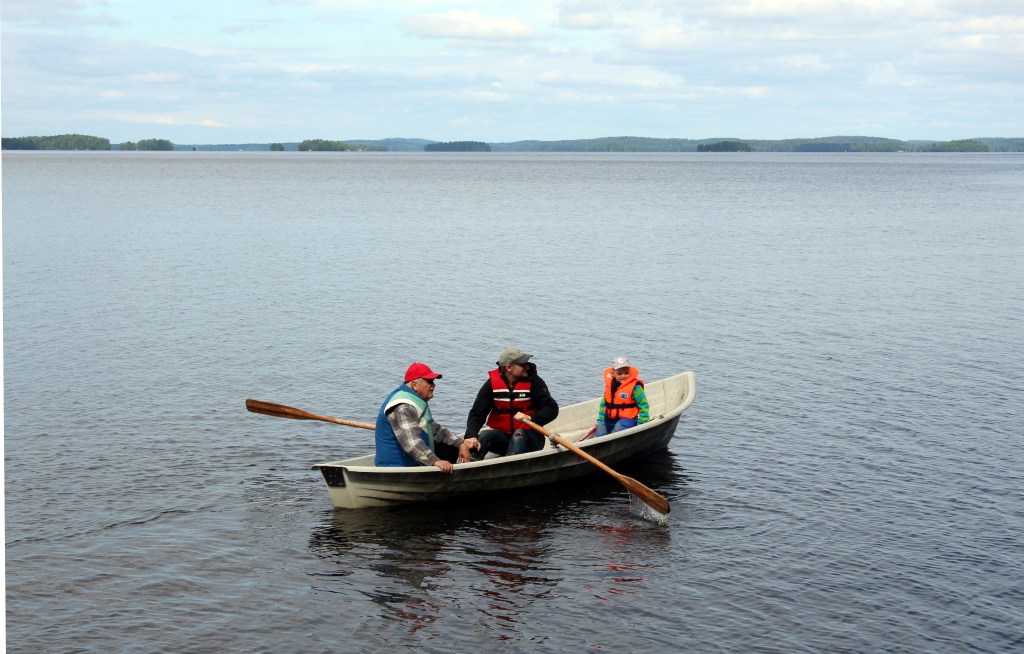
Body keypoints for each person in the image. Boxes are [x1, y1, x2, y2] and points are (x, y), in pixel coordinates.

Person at [374, 362, 480, 473]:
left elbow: (435, 430)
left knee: (455, 449)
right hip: (396, 467)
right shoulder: (403, 407)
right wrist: (434, 461)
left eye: (433, 381)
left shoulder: (414, 401)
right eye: (429, 382)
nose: (433, 385)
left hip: (411, 460)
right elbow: (412, 443)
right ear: (415, 385)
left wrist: (461, 444)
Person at [465, 347, 559, 457]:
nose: (527, 367)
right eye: (522, 364)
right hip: (504, 439)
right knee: (485, 436)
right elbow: (477, 414)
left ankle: (512, 468)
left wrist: (531, 418)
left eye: (526, 363)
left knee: (518, 435)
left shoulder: (535, 382)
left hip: (531, 440)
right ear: (509, 367)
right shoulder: (492, 384)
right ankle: (471, 465)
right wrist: (471, 436)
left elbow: (551, 409)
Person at [595, 356, 650, 436]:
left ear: (629, 371)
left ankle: (612, 444)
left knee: (619, 427)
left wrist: (642, 423)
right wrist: (600, 420)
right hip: (610, 419)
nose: (623, 376)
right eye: (619, 373)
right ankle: (601, 446)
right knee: (600, 429)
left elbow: (644, 405)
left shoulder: (636, 387)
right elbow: (603, 405)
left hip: (629, 420)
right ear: (613, 373)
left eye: (626, 373)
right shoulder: (610, 386)